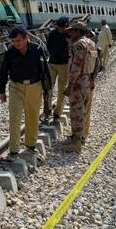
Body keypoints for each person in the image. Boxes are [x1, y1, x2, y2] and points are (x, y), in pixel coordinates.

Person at [0, 25, 50, 155]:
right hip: (16, 87)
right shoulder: (10, 53)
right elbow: (3, 71)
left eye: (19, 41)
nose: (16, 44)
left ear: (26, 38)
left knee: (32, 116)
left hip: (34, 86)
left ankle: (31, 145)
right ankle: (14, 149)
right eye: (14, 41)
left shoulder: (37, 49)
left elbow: (45, 70)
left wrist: (47, 88)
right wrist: (2, 91)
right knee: (14, 117)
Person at [60, 20, 97, 153]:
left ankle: (76, 142)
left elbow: (76, 66)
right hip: (86, 81)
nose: (69, 33)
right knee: (83, 110)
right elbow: (96, 63)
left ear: (78, 31)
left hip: (78, 83)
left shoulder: (79, 44)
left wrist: (70, 85)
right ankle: (79, 137)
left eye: (72, 31)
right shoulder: (91, 43)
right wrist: (92, 79)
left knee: (76, 112)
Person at [46, 17, 70, 121]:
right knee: (48, 87)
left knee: (62, 89)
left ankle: (58, 112)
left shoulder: (69, 34)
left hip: (64, 65)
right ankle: (48, 108)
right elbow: (48, 46)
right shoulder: (52, 34)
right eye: (60, 27)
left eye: (64, 27)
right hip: (52, 63)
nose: (62, 29)